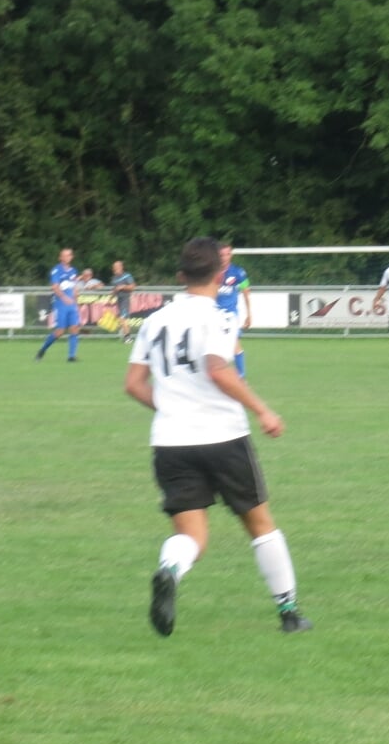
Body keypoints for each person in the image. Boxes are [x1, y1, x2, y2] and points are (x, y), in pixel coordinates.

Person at [126, 236, 312, 637]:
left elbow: (134, 385)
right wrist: (262, 409)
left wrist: (173, 407)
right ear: (220, 273)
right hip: (223, 437)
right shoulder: (220, 317)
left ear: (180, 276)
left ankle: (169, 570)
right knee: (260, 524)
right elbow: (218, 368)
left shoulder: (155, 319)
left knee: (191, 535)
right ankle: (290, 613)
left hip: (170, 441)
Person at [35, 248, 82, 362]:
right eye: (64, 255)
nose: (67, 257)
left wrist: (76, 300)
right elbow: (55, 287)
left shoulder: (73, 270)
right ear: (60, 258)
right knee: (60, 331)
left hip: (71, 305)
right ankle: (42, 349)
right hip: (61, 304)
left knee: (75, 328)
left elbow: (75, 287)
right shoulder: (56, 270)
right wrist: (64, 298)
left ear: (71, 257)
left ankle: (71, 356)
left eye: (69, 255)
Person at [216, 243, 252, 377]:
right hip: (212, 316)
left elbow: (246, 292)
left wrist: (249, 315)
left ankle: (241, 377)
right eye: (221, 255)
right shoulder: (211, 272)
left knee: (235, 345)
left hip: (231, 316)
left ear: (231, 255)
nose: (224, 258)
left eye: (227, 254)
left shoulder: (238, 272)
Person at [110, 260, 137, 344]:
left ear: (121, 267)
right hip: (119, 300)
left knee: (122, 319)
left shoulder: (127, 276)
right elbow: (115, 289)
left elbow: (133, 287)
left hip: (125, 299)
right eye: (114, 267)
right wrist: (111, 297)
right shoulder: (114, 278)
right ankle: (127, 337)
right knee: (123, 320)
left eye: (117, 267)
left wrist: (123, 287)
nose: (115, 269)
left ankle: (128, 338)